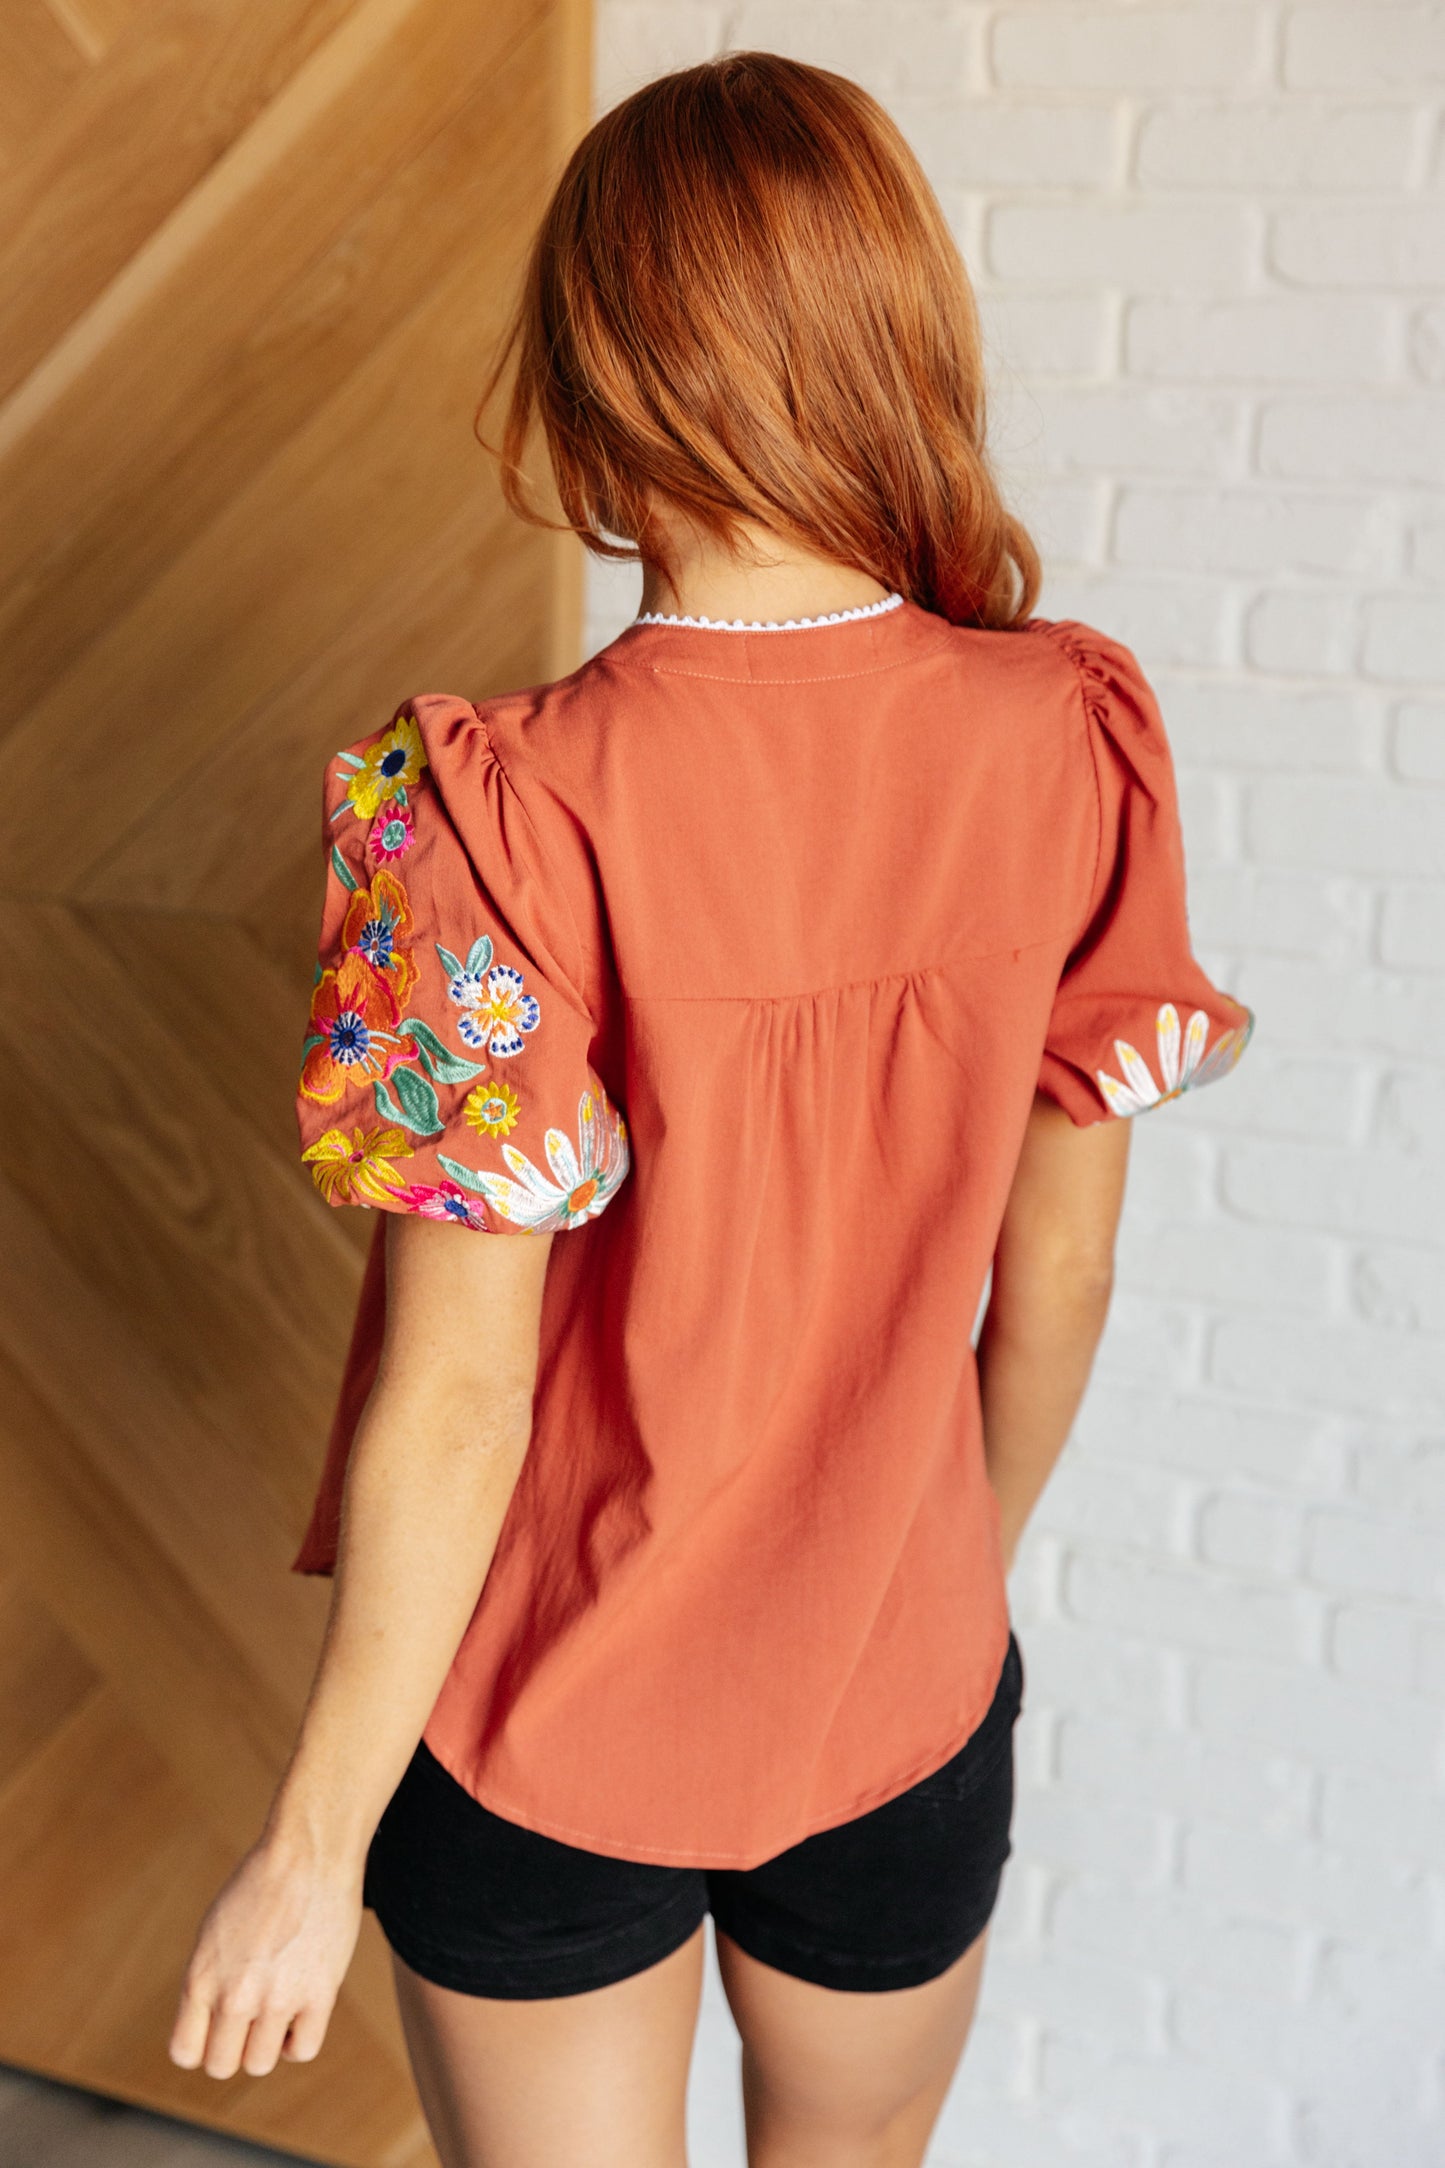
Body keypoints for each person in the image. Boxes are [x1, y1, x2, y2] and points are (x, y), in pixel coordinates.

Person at [168, 51, 1254, 2168]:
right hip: (906, 1681)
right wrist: (915, 1567)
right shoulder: (1072, 732)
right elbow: (1064, 1276)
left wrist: (311, 1841)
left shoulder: (480, 812)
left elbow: (463, 1399)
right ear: (896, 335)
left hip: (546, 1714)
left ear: (597, 371)